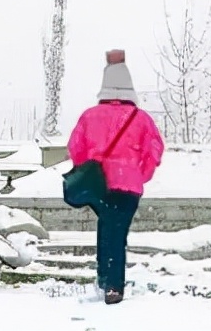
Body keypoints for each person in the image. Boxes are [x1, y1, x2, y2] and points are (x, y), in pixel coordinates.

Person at [66, 49, 164, 305]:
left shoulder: (89, 116)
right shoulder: (141, 119)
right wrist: (139, 174)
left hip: (101, 186)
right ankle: (111, 285)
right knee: (116, 232)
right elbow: (154, 151)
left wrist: (91, 169)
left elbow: (75, 148)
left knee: (107, 228)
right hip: (129, 187)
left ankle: (106, 280)